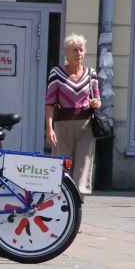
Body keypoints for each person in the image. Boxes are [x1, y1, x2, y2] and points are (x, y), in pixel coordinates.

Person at [45, 33, 101, 202]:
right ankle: (62, 211)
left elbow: (98, 99)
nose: (78, 53)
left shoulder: (91, 74)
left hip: (86, 127)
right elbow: (49, 103)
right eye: (74, 50)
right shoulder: (56, 73)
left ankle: (77, 214)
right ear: (66, 53)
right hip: (62, 127)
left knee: (82, 172)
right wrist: (49, 129)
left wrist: (95, 103)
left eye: (81, 49)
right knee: (63, 170)